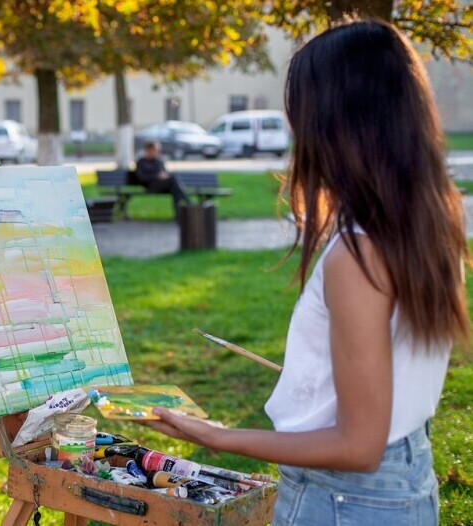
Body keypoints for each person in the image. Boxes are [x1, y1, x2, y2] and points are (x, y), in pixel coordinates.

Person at [138, 20, 469, 526]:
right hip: (399, 479)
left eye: (301, 113)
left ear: (339, 121)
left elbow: (358, 445)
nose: (295, 130)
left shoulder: (357, 254)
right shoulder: (428, 220)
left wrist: (214, 435)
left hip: (346, 500)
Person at [134, 141, 190, 216]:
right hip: (150, 186)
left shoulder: (158, 161)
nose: (158, 152)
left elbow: (165, 173)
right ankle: (189, 205)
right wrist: (156, 176)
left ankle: (179, 214)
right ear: (148, 150)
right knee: (173, 181)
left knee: (175, 188)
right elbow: (141, 178)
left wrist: (164, 176)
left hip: (164, 186)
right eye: (156, 150)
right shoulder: (141, 162)